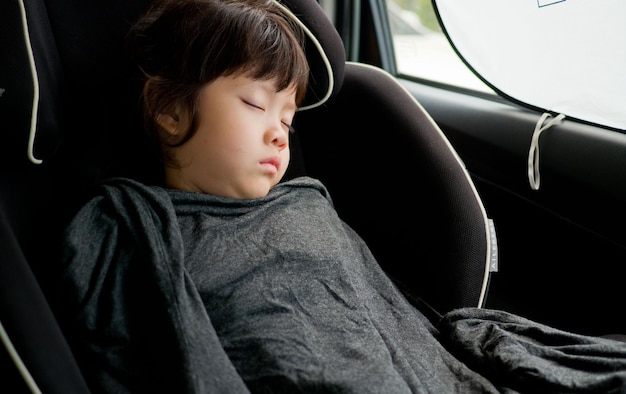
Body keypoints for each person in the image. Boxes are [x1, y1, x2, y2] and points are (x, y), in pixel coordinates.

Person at [57, 0, 626, 393]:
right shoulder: (128, 223)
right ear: (170, 109)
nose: (280, 131)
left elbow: (384, 315)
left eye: (288, 117)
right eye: (255, 105)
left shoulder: (306, 200)